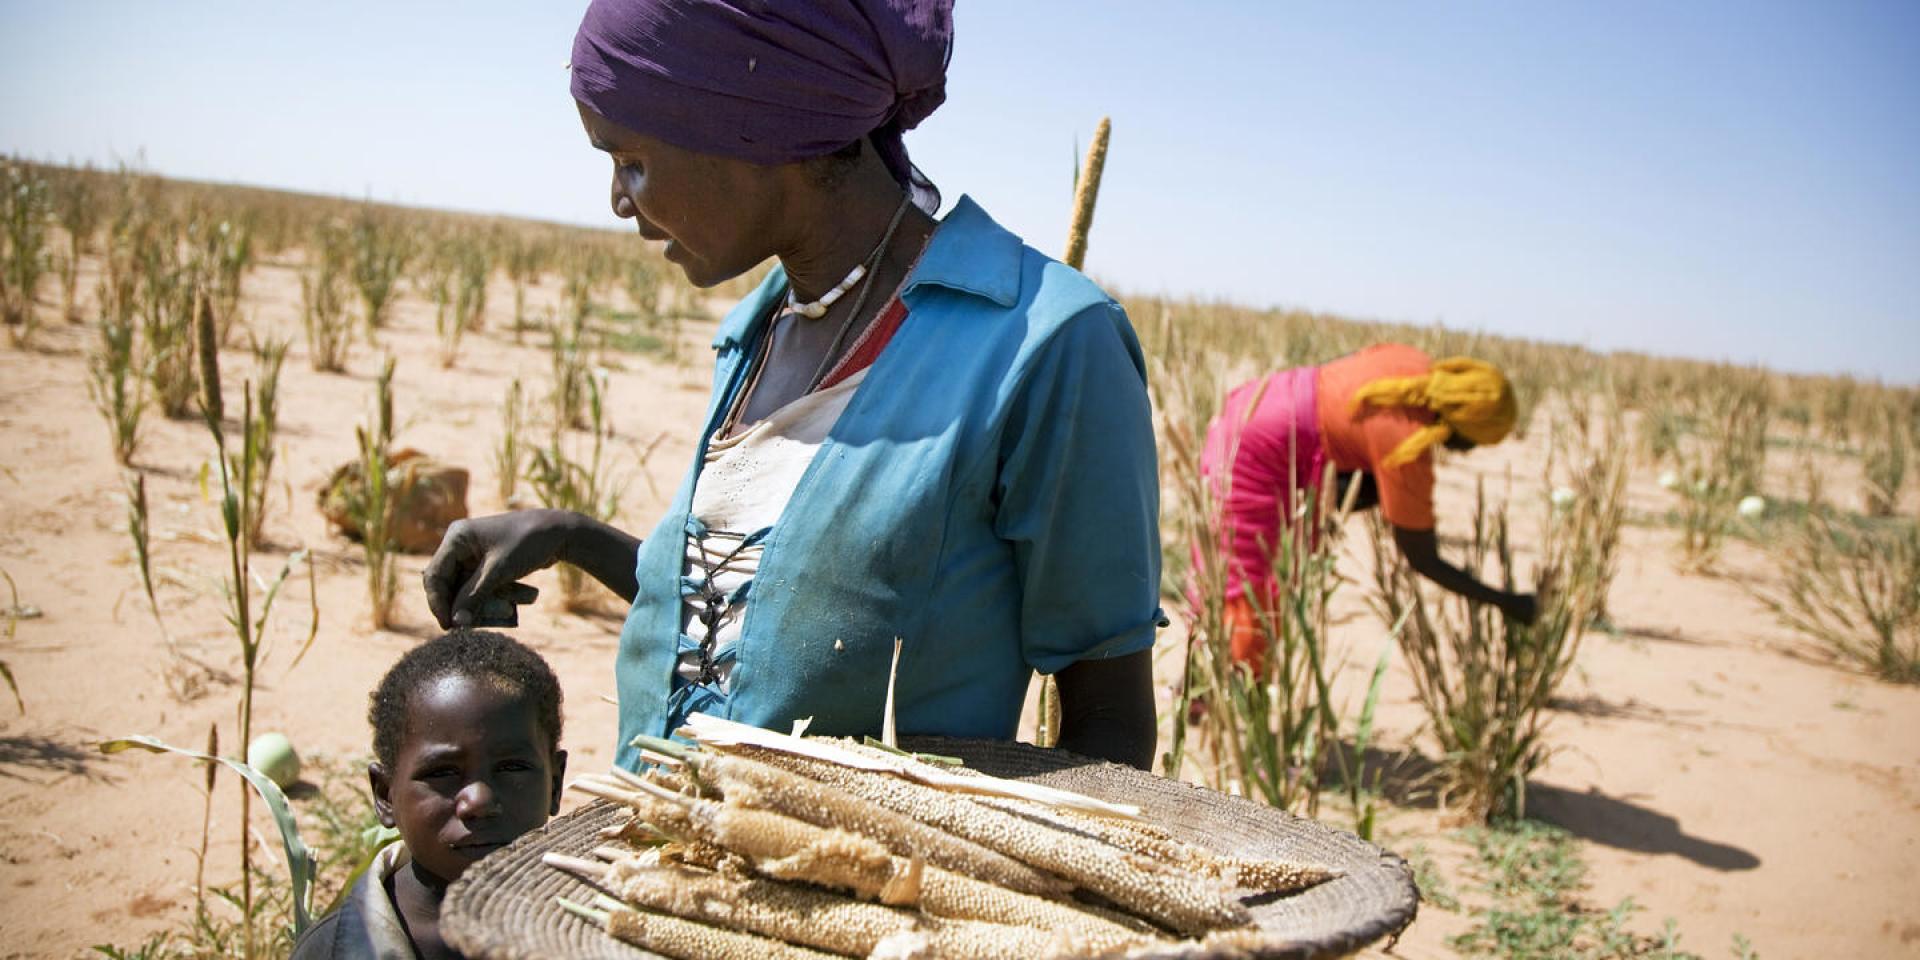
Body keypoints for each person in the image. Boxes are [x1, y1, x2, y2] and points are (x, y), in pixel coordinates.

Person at [423, 0, 1162, 771]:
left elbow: (1108, 730)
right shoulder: (763, 324)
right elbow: (777, 608)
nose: (617, 200)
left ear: (752, 125)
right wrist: (574, 537)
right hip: (660, 869)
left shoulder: (1042, 345)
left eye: (631, 160)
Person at [1198, 343, 1536, 667]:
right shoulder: (1406, 444)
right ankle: (1218, 695)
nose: (1467, 451)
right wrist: (1506, 602)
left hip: (1257, 402)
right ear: (1465, 427)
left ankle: (1212, 686)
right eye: (1474, 442)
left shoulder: (1407, 360)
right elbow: (1423, 558)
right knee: (1249, 586)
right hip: (1259, 449)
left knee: (1229, 570)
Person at [290, 630, 567, 960]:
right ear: (385, 795)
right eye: (442, 773)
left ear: (555, 782)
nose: (478, 801)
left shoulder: (603, 929)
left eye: (511, 767)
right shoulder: (331, 951)